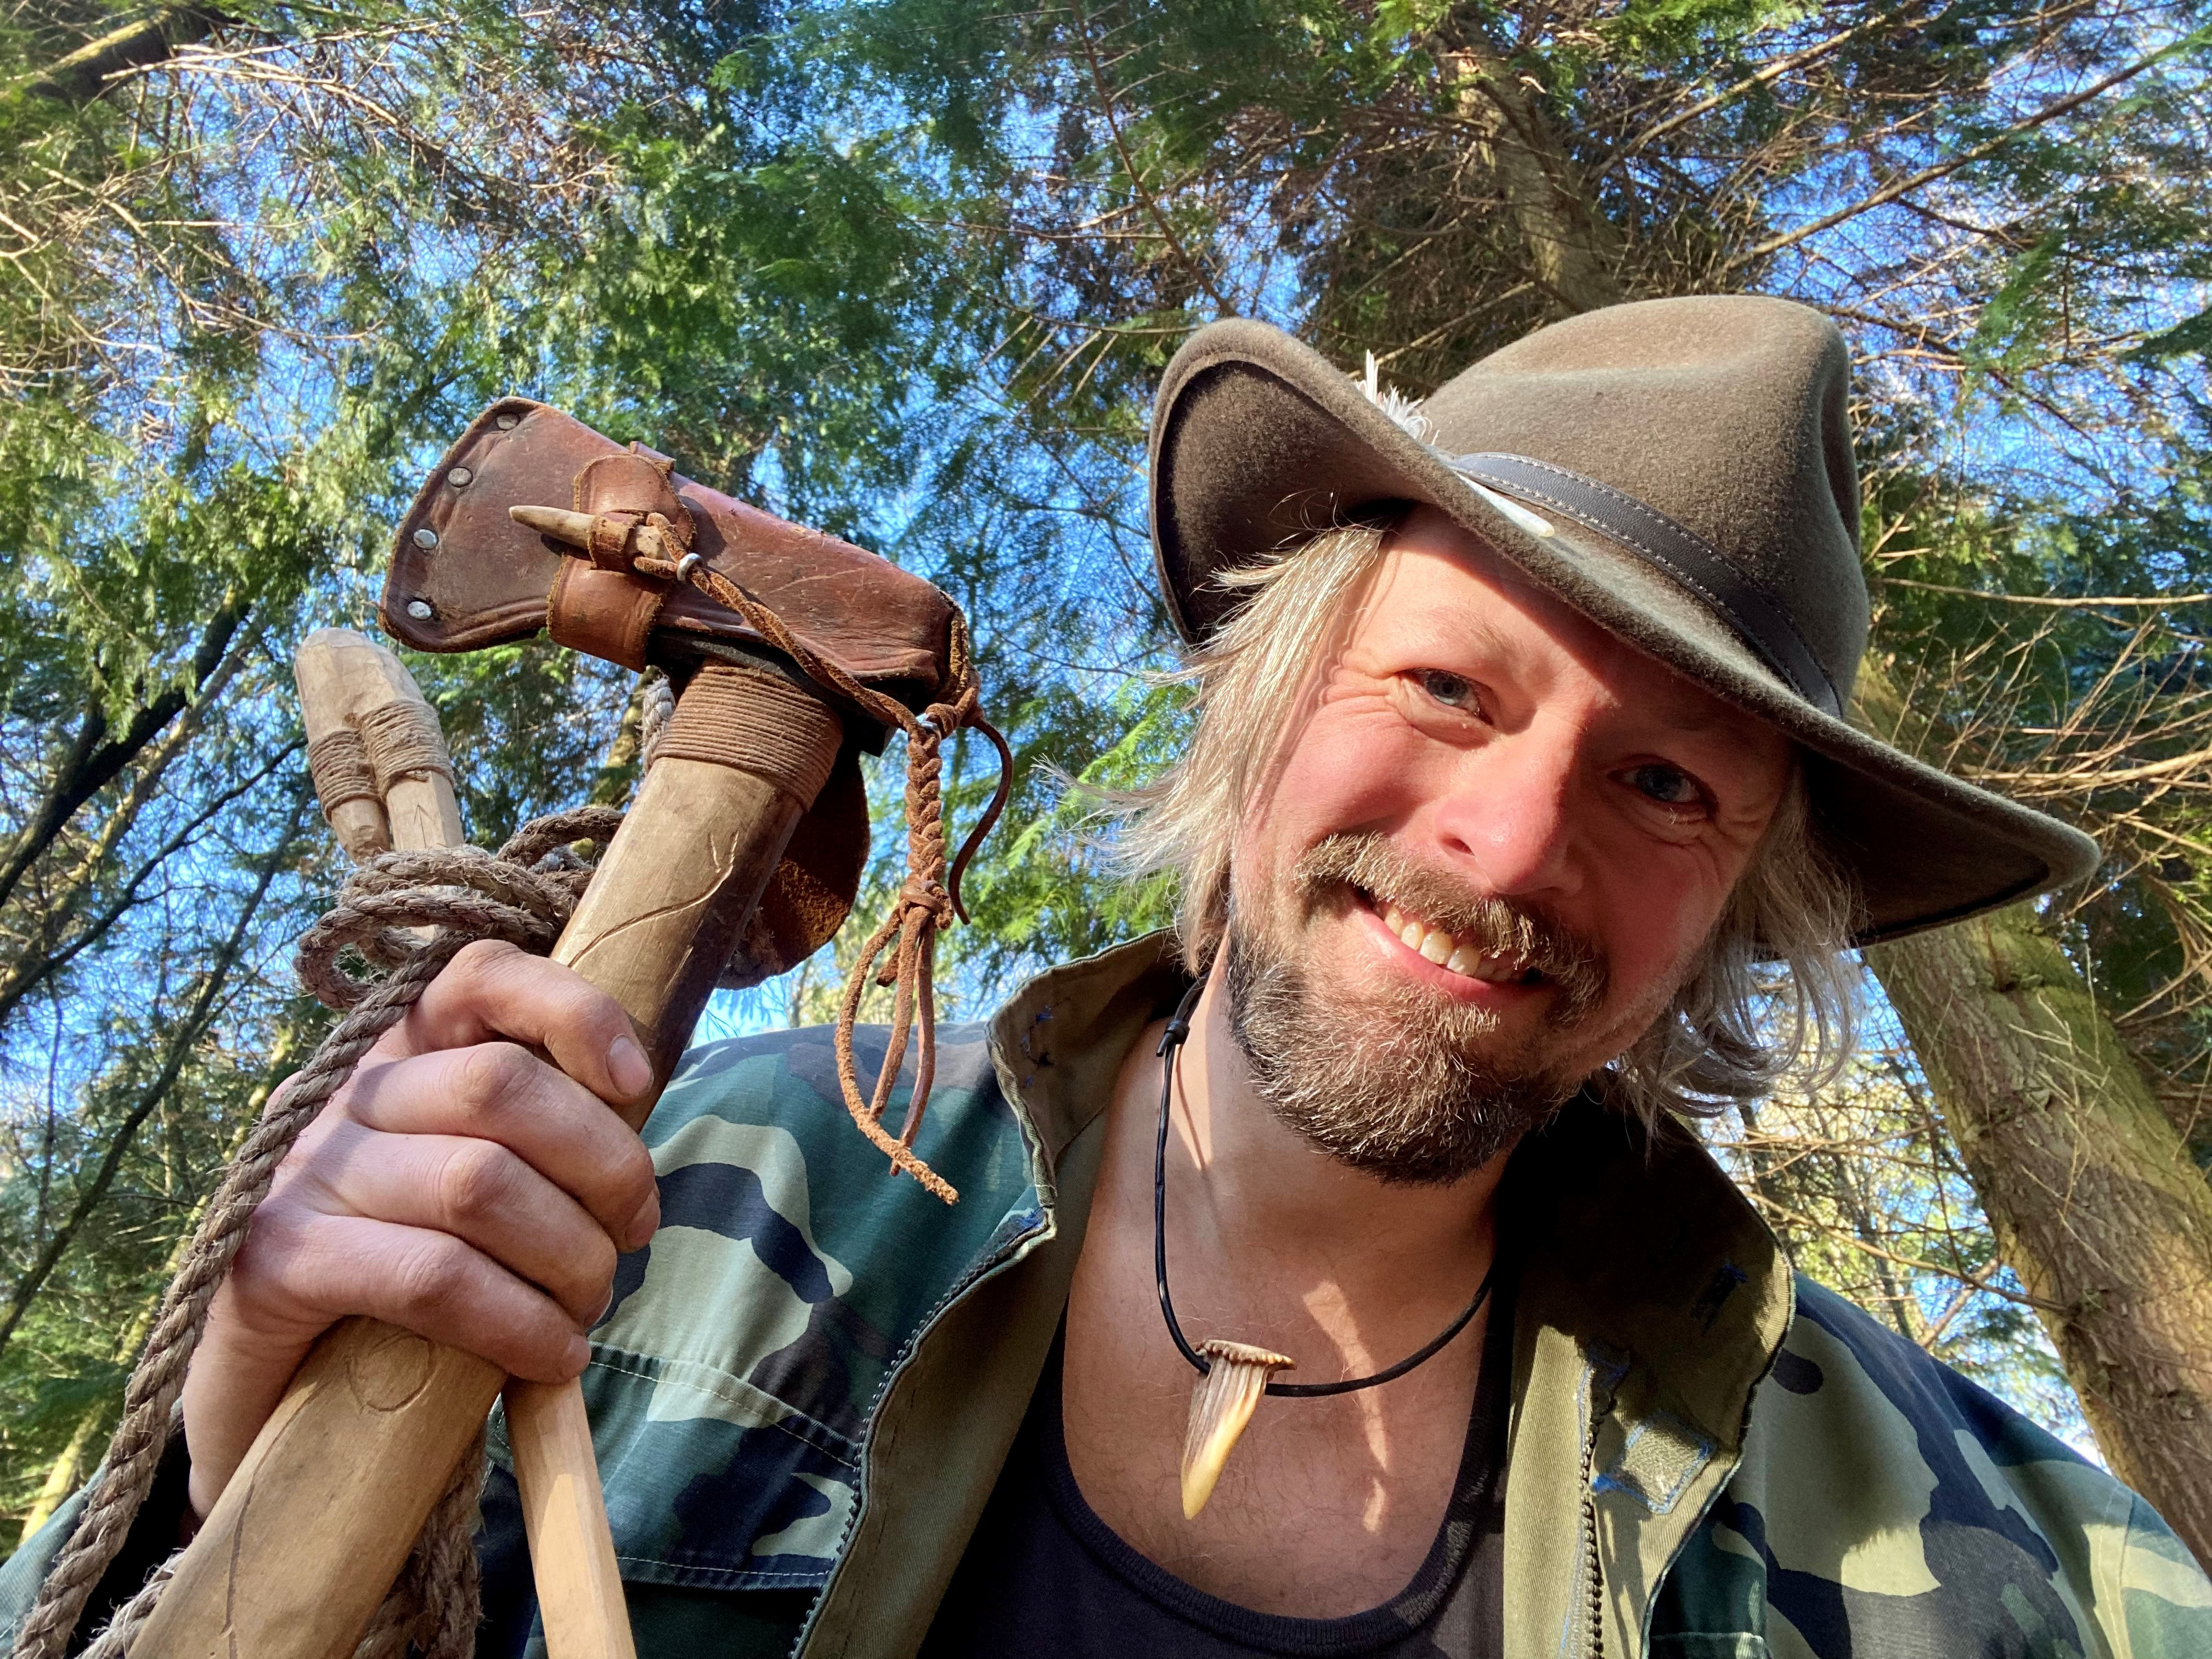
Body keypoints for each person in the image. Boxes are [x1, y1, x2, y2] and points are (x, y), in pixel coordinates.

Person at [8, 297, 2208, 1658]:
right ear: (1253, 718)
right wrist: (242, 1434)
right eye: (1447, 688)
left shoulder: (1945, 1537)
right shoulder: (682, 1197)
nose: (1516, 841)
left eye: (1661, 786)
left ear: (1734, 912)